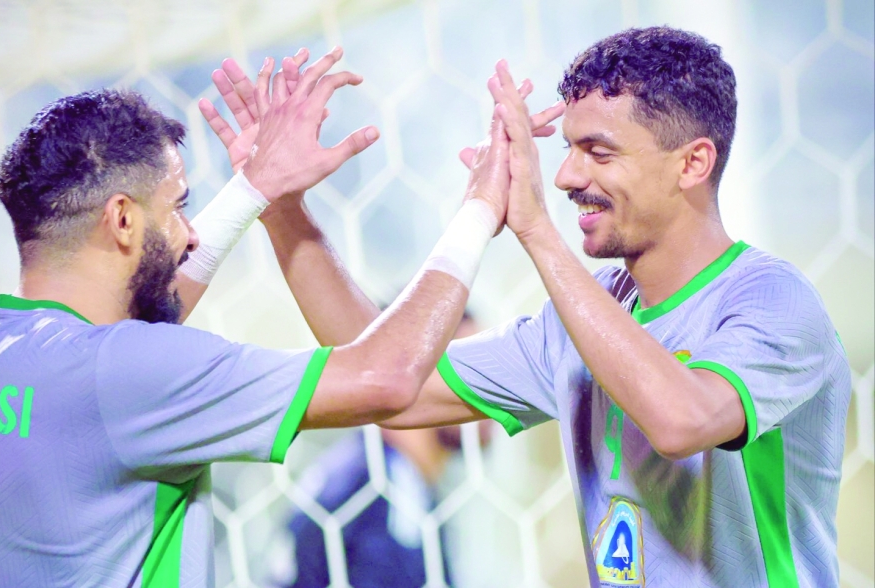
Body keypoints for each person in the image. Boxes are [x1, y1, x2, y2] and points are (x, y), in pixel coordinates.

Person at [209, 28, 851, 587]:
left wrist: (537, 230)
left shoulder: (770, 300)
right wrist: (280, 205)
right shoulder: (579, 318)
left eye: (598, 152)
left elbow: (683, 419)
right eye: (565, 148)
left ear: (692, 163)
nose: (567, 175)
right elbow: (385, 376)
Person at [0, 47, 516, 587]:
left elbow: (125, 339)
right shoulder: (131, 373)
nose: (190, 234)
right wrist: (480, 210)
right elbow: (385, 379)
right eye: (176, 208)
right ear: (122, 220)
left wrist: (258, 188)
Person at [279, 314, 490, 588]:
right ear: (414, 373)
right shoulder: (374, 491)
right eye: (470, 368)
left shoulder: (397, 478)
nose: (491, 388)